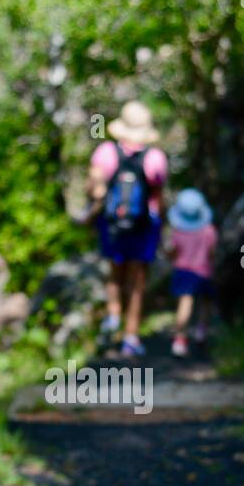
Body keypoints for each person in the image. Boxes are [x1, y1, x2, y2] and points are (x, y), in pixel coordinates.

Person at [81, 101, 168, 359]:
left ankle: (113, 315)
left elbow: (93, 188)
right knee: (138, 282)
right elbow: (158, 197)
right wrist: (162, 228)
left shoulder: (106, 152)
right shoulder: (155, 158)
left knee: (114, 275)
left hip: (112, 225)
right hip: (143, 225)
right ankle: (131, 337)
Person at [165, 188, 217, 358]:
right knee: (205, 302)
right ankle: (201, 330)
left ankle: (180, 339)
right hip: (204, 271)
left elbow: (172, 252)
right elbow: (212, 252)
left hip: (183, 271)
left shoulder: (177, 232)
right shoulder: (208, 231)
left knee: (185, 303)